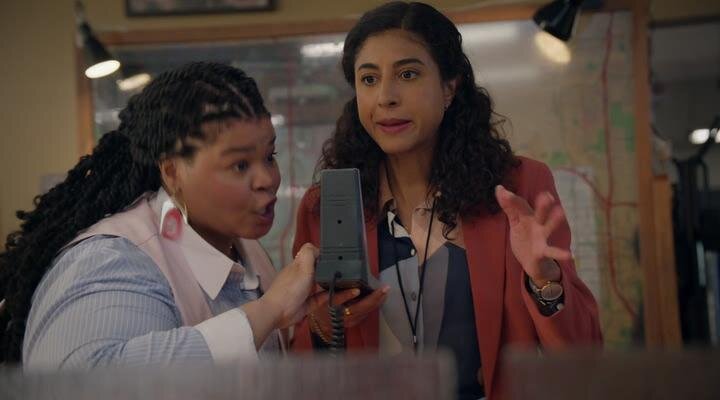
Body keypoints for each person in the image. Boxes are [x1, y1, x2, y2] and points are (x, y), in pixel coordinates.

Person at [290, 2, 603, 399]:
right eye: (368, 79)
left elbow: (584, 352)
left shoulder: (518, 187)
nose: (385, 97)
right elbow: (299, 367)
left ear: (449, 87)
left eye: (408, 74)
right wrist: (321, 325)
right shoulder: (323, 207)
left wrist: (545, 280)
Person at [0, 62, 358, 368]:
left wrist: (318, 323)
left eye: (269, 156)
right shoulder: (112, 260)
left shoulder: (243, 247)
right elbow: (83, 382)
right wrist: (270, 310)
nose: (267, 179)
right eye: (239, 165)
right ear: (172, 173)